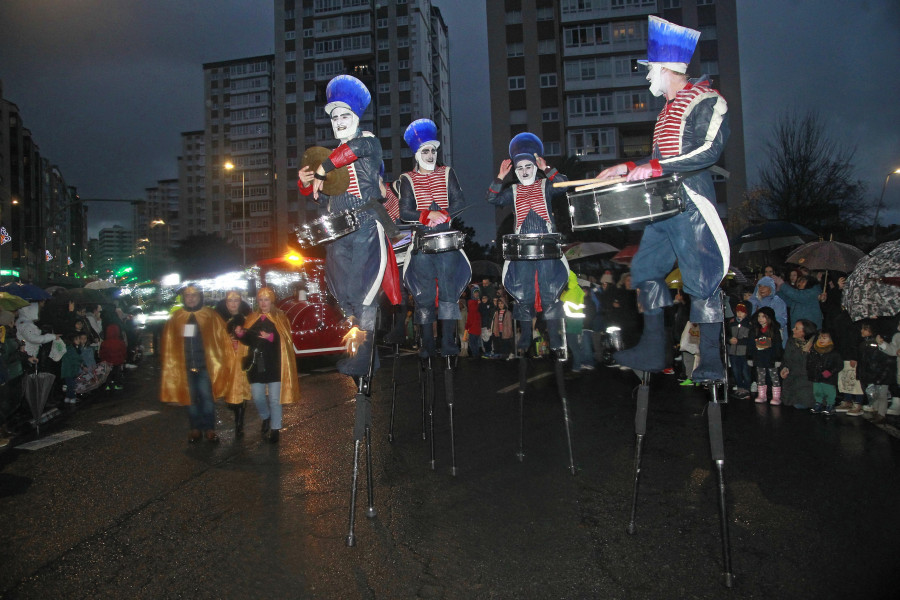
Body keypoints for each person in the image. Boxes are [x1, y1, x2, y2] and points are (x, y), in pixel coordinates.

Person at [593, 16, 729, 381]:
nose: (647, 76)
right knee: (645, 270)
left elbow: (707, 150)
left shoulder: (707, 100)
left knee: (701, 280)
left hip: (691, 204)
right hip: (663, 204)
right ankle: (655, 348)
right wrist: (626, 167)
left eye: (650, 68)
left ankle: (712, 359)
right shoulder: (665, 112)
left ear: (666, 67)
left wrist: (656, 168)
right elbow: (656, 161)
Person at [297, 74, 397, 377]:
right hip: (339, 229)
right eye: (335, 117)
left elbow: (349, 153)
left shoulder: (369, 143)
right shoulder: (330, 159)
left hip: (366, 224)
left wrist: (323, 168)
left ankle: (363, 358)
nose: (339, 121)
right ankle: (366, 354)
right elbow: (321, 194)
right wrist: (306, 183)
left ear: (356, 117)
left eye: (345, 115)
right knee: (340, 289)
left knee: (362, 290)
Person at [486, 132, 570, 356]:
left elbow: (564, 186)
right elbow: (492, 199)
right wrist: (500, 177)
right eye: (519, 167)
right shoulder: (512, 190)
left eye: (528, 166)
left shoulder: (546, 185)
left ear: (535, 166)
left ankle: (554, 337)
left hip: (547, 247)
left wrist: (548, 169)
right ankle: (525, 334)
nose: (524, 171)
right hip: (522, 249)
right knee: (523, 295)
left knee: (550, 293)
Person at [398, 118, 470, 359]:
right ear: (417, 153)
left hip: (447, 243)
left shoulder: (447, 172)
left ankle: (449, 342)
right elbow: (404, 211)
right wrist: (427, 215)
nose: (430, 155)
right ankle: (427, 344)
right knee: (424, 296)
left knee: (449, 294)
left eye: (433, 151)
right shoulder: (406, 178)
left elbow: (459, 202)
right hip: (422, 245)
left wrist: (445, 214)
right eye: (425, 151)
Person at [159, 285, 233, 443]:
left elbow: (222, 338)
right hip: (185, 367)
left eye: (194, 295)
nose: (191, 298)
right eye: (187, 296)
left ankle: (209, 429)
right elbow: (169, 343)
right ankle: (195, 428)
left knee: (207, 398)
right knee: (190, 399)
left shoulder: (210, 315)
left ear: (200, 297)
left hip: (205, 366)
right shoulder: (177, 317)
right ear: (183, 298)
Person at [235, 288, 299, 443]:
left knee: (275, 399)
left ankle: (275, 428)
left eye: (266, 300)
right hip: (256, 365)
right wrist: (241, 335)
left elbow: (286, 340)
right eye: (260, 300)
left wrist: (271, 337)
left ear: (272, 301)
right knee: (257, 396)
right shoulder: (252, 318)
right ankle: (266, 417)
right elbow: (248, 341)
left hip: (274, 365)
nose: (263, 303)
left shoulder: (280, 317)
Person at [215, 291, 252, 435]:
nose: (233, 304)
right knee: (229, 390)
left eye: (236, 301)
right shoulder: (219, 319)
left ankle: (239, 421)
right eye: (230, 301)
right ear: (226, 303)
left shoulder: (248, 318)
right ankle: (235, 410)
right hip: (226, 359)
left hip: (242, 358)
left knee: (241, 389)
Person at [856, 321, 894, 425]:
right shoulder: (864, 343)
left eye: (864, 329)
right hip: (873, 374)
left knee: (882, 394)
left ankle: (881, 414)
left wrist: (880, 374)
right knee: (876, 394)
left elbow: (883, 360)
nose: (861, 331)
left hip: (881, 374)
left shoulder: (877, 343)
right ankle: (877, 412)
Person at [748, 307, 783, 404]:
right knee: (760, 377)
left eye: (763, 316)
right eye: (759, 316)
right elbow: (750, 345)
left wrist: (778, 358)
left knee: (774, 377)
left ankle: (776, 396)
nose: (760, 319)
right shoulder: (755, 330)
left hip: (771, 358)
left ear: (769, 318)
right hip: (759, 358)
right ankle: (761, 395)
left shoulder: (774, 331)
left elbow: (778, 345)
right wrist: (750, 356)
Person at [780, 319, 816, 409]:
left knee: (801, 404)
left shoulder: (815, 345)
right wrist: (784, 368)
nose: (793, 329)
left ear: (805, 332)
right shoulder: (791, 342)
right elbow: (786, 359)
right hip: (793, 376)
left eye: (796, 328)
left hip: (807, 379)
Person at [806, 328, 842, 415]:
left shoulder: (834, 353)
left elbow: (839, 365)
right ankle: (818, 403)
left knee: (829, 391)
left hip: (828, 377)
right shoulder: (814, 351)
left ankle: (830, 404)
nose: (821, 340)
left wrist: (830, 371)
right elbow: (809, 362)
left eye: (824, 338)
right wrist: (810, 371)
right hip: (816, 376)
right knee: (817, 391)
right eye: (820, 338)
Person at [748, 276, 788, 344]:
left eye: (765, 286)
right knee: (757, 352)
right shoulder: (753, 302)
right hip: (755, 335)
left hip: (771, 336)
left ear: (771, 288)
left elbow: (781, 320)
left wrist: (767, 327)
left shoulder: (777, 302)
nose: (761, 289)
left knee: (765, 352)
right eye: (760, 286)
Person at [727, 301, 753, 398]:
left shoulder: (749, 324)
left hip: (744, 352)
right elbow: (726, 334)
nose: (739, 314)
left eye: (742, 312)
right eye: (737, 311)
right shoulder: (731, 322)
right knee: (735, 370)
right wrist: (729, 340)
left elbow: (750, 339)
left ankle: (746, 387)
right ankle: (739, 386)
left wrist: (739, 341)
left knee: (745, 370)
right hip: (733, 351)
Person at [99, 323, 127, 391]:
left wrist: (103, 360)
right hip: (117, 362)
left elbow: (102, 353)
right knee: (117, 373)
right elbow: (124, 352)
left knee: (108, 374)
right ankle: (117, 385)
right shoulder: (120, 342)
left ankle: (108, 385)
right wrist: (123, 359)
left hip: (107, 362)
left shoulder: (104, 343)